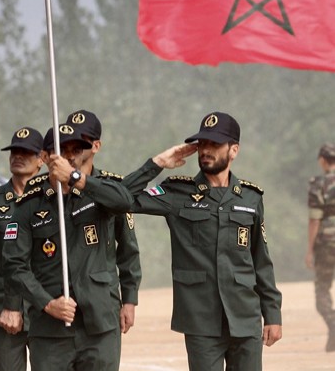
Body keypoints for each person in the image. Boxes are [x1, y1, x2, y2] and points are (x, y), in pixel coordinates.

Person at [111, 112, 283, 370]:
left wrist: (272, 314)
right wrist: (157, 163)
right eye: (202, 144)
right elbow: (119, 198)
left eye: (214, 144)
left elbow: (261, 261)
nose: (206, 150)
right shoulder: (176, 193)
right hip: (201, 320)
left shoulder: (250, 197)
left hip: (245, 317)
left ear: (233, 150)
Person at [3, 121, 141, 371]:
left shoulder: (99, 194)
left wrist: (129, 298)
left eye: (75, 150)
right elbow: (14, 266)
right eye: (61, 150)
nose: (69, 156)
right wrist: (46, 303)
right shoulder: (28, 205)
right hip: (50, 330)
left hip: (100, 323)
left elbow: (126, 214)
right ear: (44, 157)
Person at [62, 110, 142, 338]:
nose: (73, 149)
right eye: (69, 142)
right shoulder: (47, 190)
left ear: (96, 146)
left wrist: (129, 299)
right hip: (58, 306)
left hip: (101, 303)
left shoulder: (111, 189)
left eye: (82, 143)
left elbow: (128, 249)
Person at [0, 126, 44, 371]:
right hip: (1, 309)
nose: (18, 156)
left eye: (26, 152)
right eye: (15, 151)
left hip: (44, 309)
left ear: (42, 159)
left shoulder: (54, 199)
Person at [306, 142, 335, 352]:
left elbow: (315, 219)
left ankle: (333, 324)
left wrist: (309, 249)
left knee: (322, 289)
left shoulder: (319, 183)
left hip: (326, 243)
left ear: (322, 161)